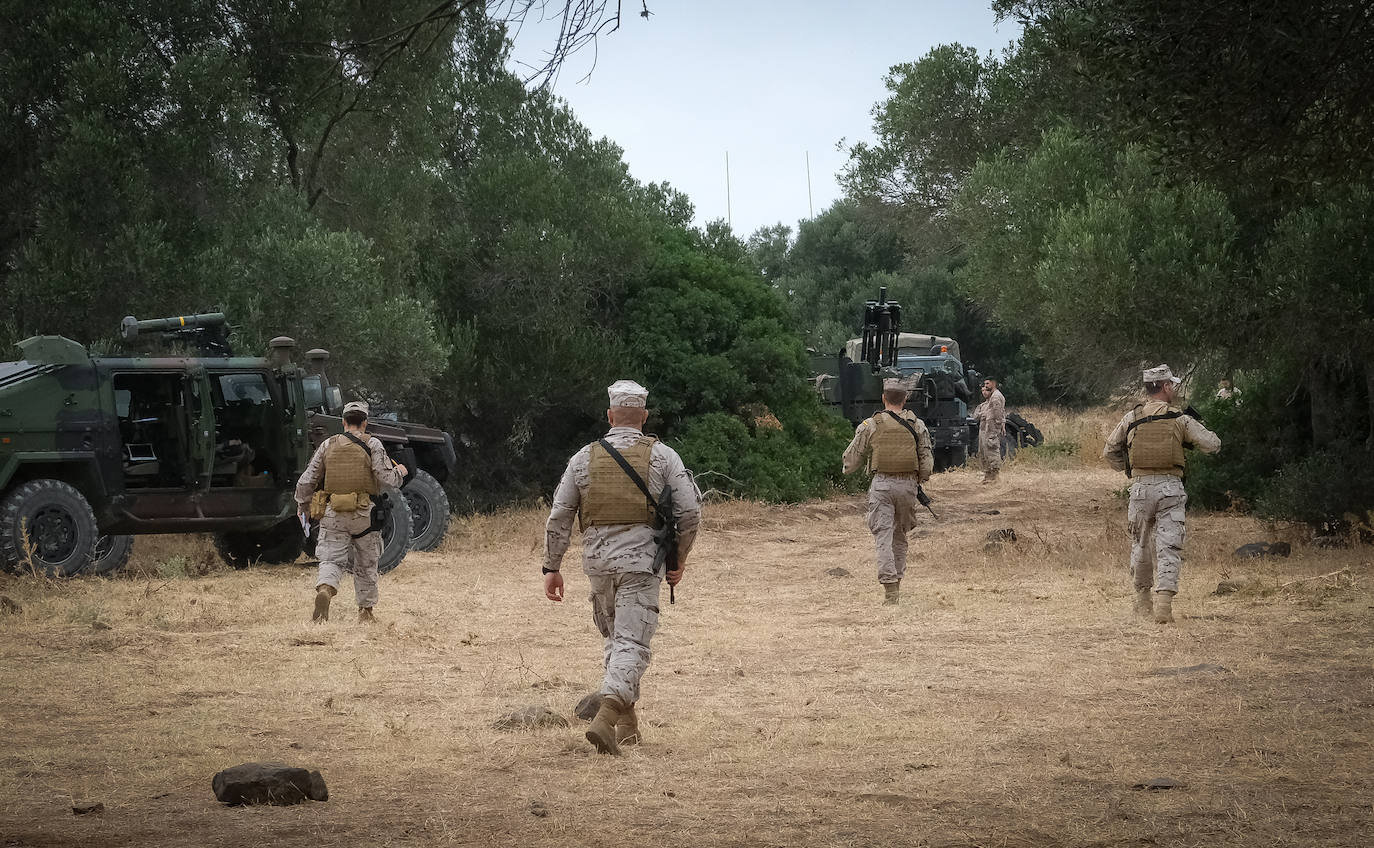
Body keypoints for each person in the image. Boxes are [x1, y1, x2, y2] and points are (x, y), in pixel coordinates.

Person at [542, 380, 702, 755]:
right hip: (641, 564)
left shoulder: (583, 458)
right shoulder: (663, 457)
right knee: (633, 641)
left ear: (610, 416)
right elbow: (690, 512)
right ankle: (607, 714)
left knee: (616, 638)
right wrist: (680, 556)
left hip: (598, 565)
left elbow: (560, 515)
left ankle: (628, 728)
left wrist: (552, 566)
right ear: (644, 417)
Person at [1103, 365, 1221, 624]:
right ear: (1165, 386)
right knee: (1169, 546)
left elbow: (1109, 451)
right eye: (1173, 385)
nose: (1175, 390)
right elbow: (1213, 445)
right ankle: (1164, 606)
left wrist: (1130, 470)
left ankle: (1143, 602)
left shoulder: (1131, 417)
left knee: (1141, 544)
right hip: (1171, 488)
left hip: (1140, 488)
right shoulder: (1180, 418)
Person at [295, 400, 405, 624]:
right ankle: (365, 612)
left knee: (331, 559)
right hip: (365, 515)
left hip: (333, 512)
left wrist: (303, 505)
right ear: (365, 422)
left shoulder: (328, 445)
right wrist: (400, 472)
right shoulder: (373, 444)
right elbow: (387, 479)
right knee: (366, 564)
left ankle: (326, 588)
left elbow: (306, 480)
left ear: (343, 422)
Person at [842, 377, 934, 605]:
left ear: (883, 398)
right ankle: (897, 583)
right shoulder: (917, 424)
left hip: (882, 484)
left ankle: (890, 591)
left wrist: (847, 470)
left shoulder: (871, 424)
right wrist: (919, 479)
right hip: (907, 486)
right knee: (899, 536)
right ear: (905, 399)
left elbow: (851, 459)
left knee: (883, 535)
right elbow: (927, 462)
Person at [972, 378, 1007, 483]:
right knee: (984, 451)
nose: (985, 387)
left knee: (991, 450)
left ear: (993, 383)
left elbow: (999, 412)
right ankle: (988, 475)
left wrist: (999, 424)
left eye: (987, 384)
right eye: (984, 385)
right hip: (985, 428)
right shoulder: (987, 402)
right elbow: (976, 416)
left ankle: (995, 476)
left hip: (991, 428)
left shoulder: (996, 397)